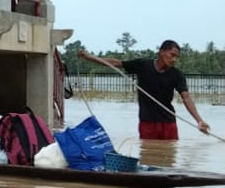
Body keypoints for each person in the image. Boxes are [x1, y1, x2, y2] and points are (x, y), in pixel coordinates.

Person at [78, 40, 211, 140]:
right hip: (147, 122)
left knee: (170, 156)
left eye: (176, 57)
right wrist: (90, 57)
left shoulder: (177, 74)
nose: (174, 59)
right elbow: (116, 63)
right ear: (162, 51)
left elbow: (186, 97)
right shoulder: (143, 65)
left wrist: (199, 120)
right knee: (148, 154)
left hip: (168, 122)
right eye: (172, 55)